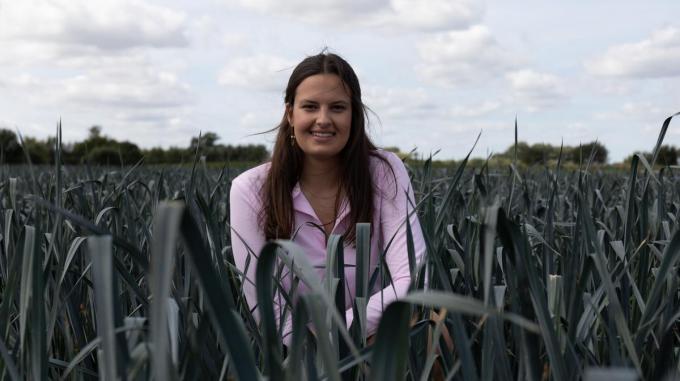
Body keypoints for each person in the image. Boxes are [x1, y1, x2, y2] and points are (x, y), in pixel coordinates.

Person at [229, 51, 426, 345]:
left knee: (432, 331)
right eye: (310, 106)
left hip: (370, 337)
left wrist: (337, 331)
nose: (323, 119)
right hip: (292, 349)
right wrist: (310, 349)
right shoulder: (249, 189)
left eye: (337, 107)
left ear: (353, 115)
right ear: (290, 114)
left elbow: (413, 276)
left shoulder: (385, 172)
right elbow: (264, 303)